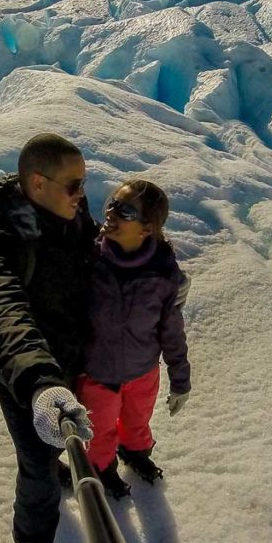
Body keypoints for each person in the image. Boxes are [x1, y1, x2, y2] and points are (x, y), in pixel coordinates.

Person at [0, 133, 97, 543]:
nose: (82, 195)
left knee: (56, 446)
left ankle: (58, 462)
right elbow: (6, 311)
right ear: (38, 184)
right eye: (73, 185)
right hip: (22, 375)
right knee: (38, 471)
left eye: (84, 184)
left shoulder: (72, 214)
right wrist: (42, 382)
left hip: (68, 357)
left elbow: (94, 258)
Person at [76, 179, 191, 499]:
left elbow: (171, 329)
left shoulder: (163, 273)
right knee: (99, 432)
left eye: (125, 210)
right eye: (112, 203)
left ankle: (136, 452)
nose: (112, 212)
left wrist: (180, 379)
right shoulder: (90, 260)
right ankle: (101, 470)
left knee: (137, 420)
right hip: (100, 373)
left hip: (143, 370)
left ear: (147, 229)